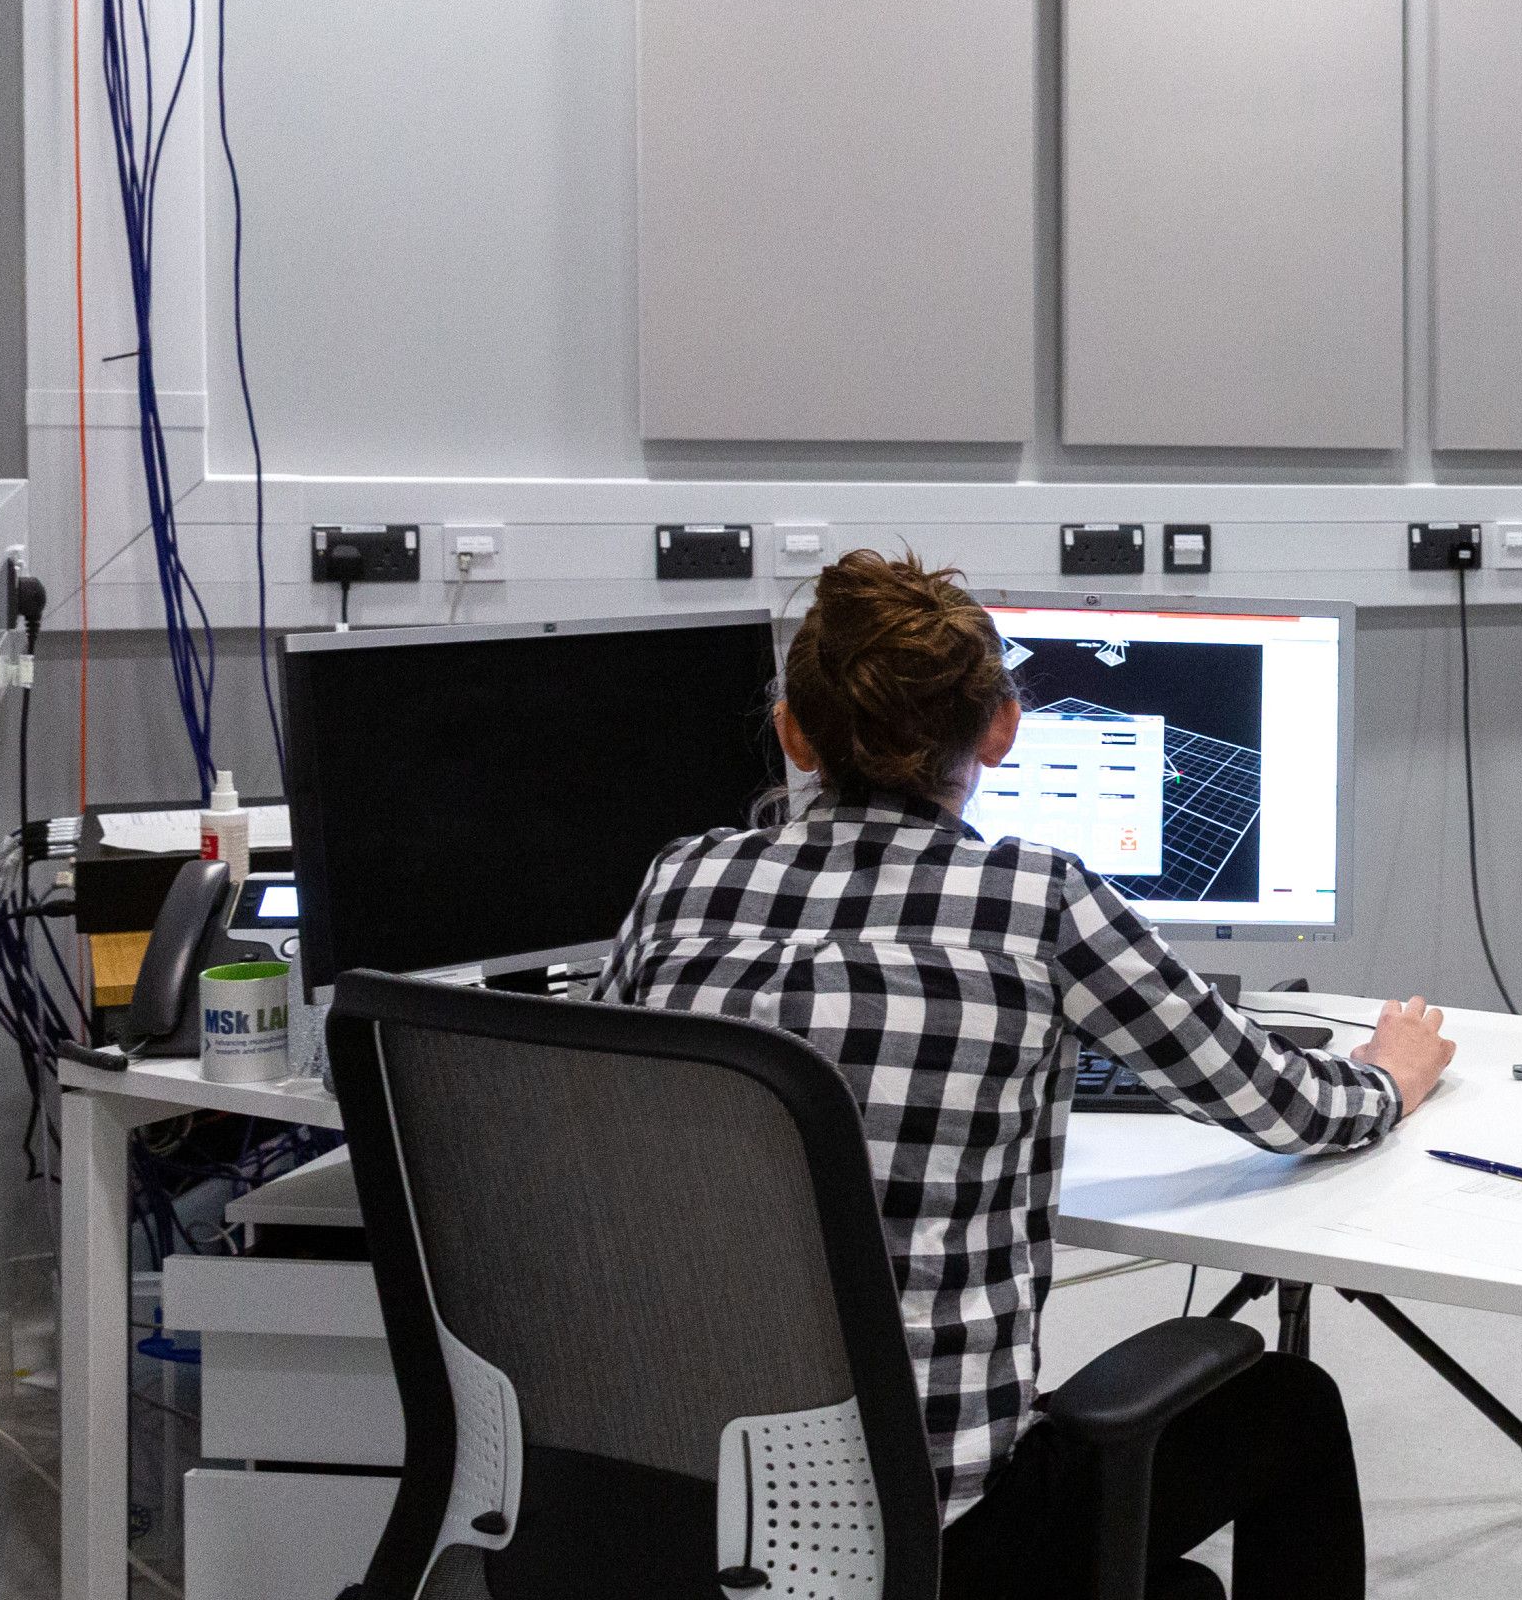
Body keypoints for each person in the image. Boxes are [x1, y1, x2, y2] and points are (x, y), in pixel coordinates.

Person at [603, 549, 1454, 1596]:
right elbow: (1279, 1104)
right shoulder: (1033, 898)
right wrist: (1387, 1075)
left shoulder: (680, 881)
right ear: (1002, 731)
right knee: (1290, 1405)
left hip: (671, 1502)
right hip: (930, 1538)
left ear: (793, 733)